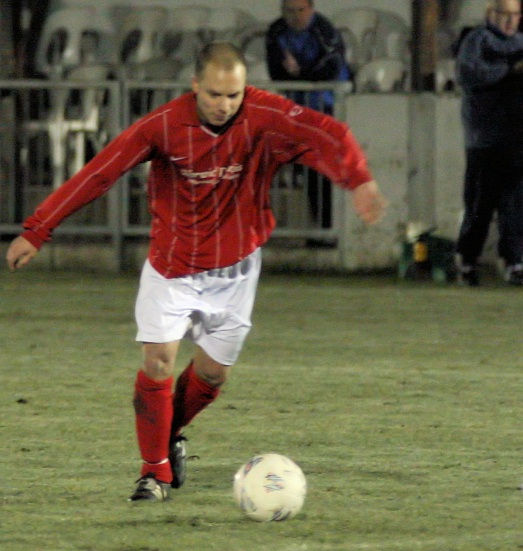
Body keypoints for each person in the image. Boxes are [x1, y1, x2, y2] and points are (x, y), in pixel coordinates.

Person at [6, 42, 387, 502]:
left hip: (238, 272)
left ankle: (167, 435)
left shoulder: (266, 115)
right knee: (158, 360)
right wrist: (38, 229)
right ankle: (154, 473)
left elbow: (328, 133)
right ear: (194, 86)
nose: (226, 105)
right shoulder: (164, 125)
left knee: (211, 378)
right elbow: (100, 172)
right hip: (173, 270)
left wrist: (358, 179)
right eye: (214, 95)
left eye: (234, 95)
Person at [265, 0, 351, 233]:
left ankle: (329, 228)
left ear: (311, 9)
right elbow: (276, 73)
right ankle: (321, 228)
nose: (295, 17)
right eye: (289, 11)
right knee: (308, 171)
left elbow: (330, 70)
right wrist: (296, 77)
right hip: (298, 110)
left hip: (326, 109)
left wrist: (299, 74)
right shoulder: (276, 32)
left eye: (300, 10)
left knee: (324, 171)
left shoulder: (325, 31)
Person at [455, 0, 523, 286]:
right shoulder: (477, 41)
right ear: (490, 14)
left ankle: (514, 261)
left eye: (515, 15)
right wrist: (510, 70)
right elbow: (469, 74)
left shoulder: (520, 41)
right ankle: (467, 260)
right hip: (483, 137)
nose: (509, 21)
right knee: (480, 203)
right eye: (503, 14)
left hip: (516, 136)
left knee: (514, 203)